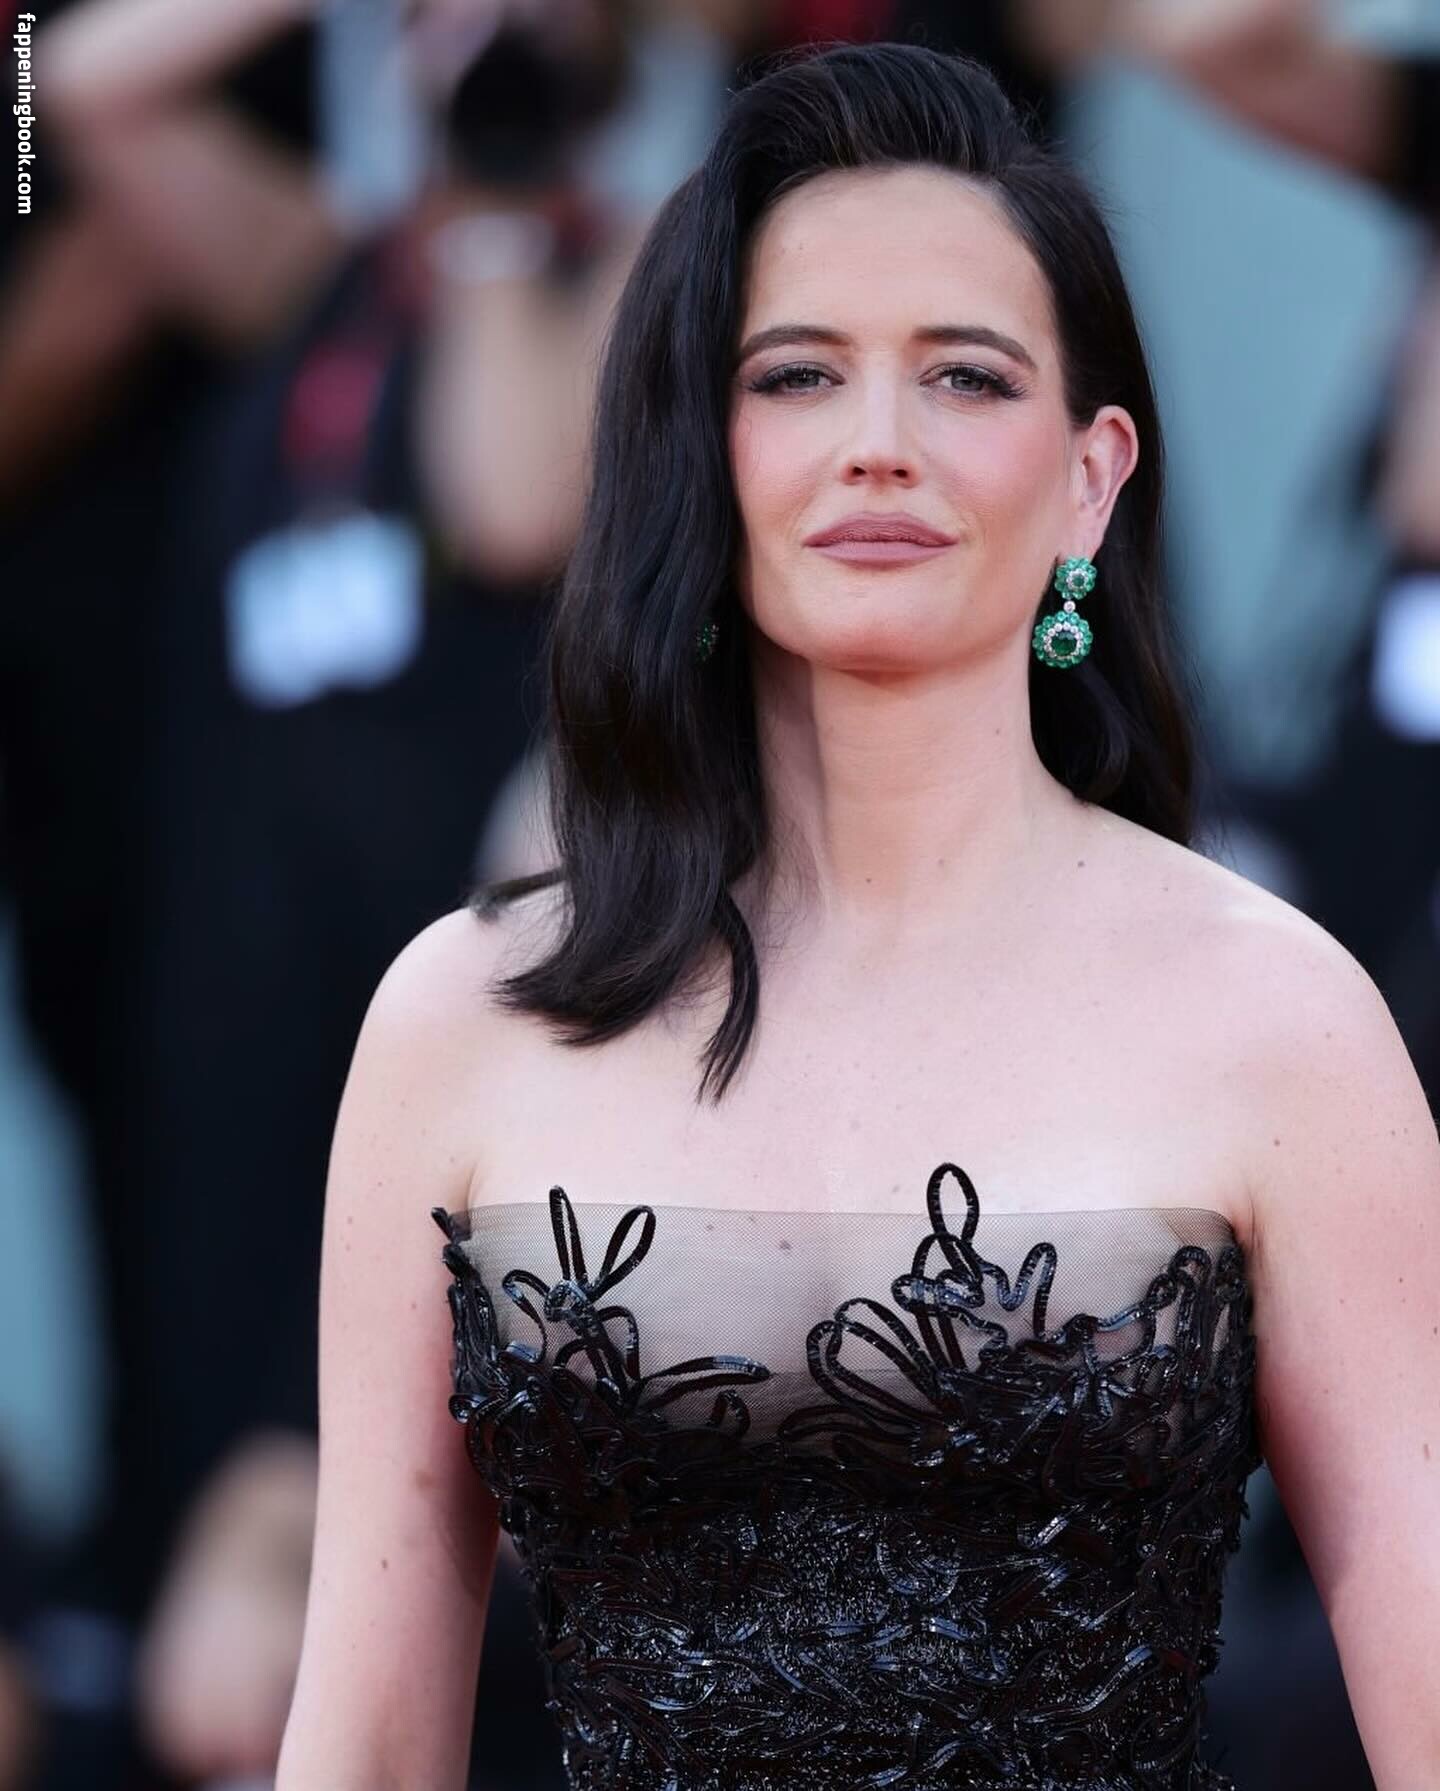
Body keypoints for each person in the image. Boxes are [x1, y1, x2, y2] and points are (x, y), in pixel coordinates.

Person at [276, 40, 1440, 1791]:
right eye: (798, 374)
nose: (879, 448)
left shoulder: (1281, 1023)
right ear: (696, 445)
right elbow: (365, 1741)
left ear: (1092, 475)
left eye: (966, 376)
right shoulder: (466, 1021)